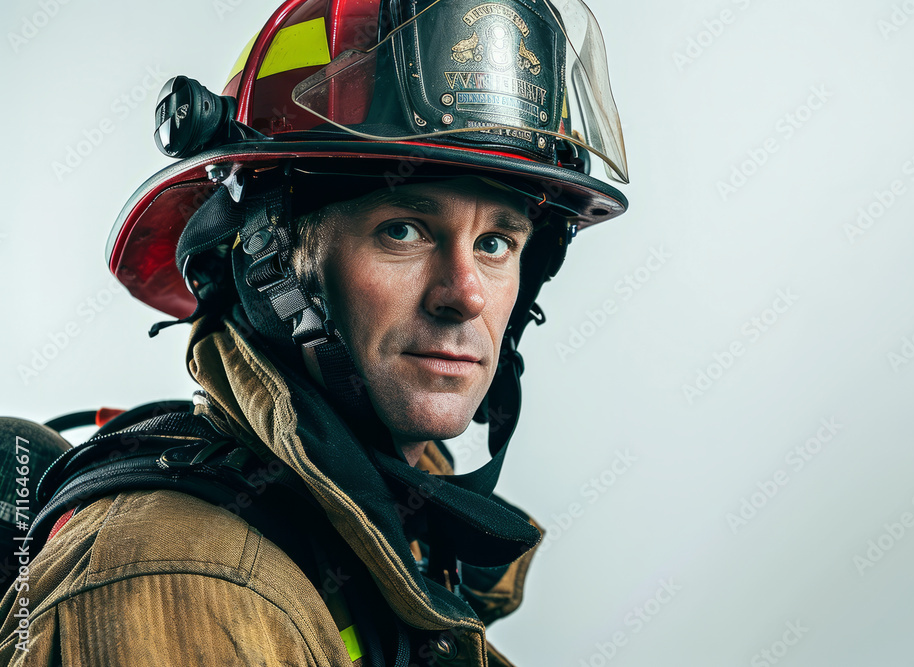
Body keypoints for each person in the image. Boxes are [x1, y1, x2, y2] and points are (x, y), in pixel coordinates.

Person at [0, 0, 628, 663]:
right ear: (273, 267)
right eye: (403, 231)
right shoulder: (186, 591)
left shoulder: (398, 534)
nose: (466, 294)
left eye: (497, 242)